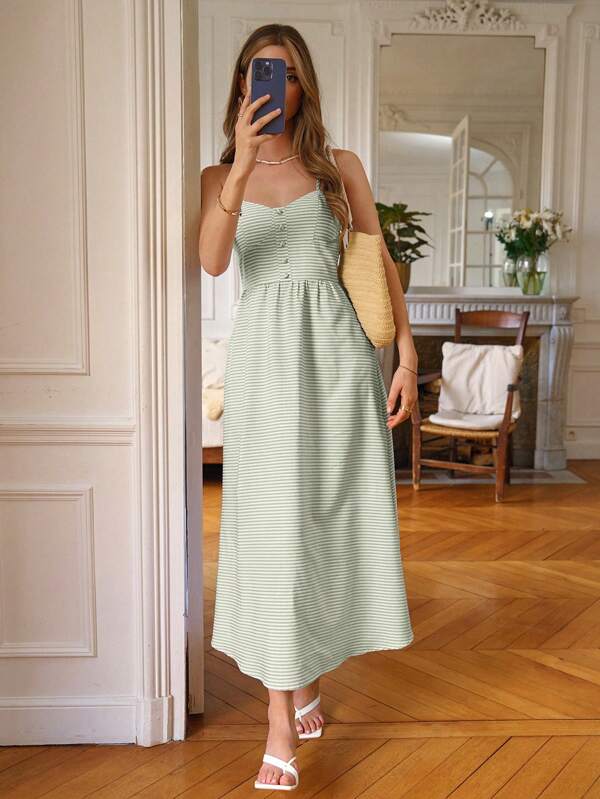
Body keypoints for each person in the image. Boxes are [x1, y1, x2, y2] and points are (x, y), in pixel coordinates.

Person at [198, 23, 417, 792]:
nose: (275, 87)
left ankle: (309, 674)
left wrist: (406, 357)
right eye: (262, 73)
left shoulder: (339, 166)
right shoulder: (216, 174)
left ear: (304, 87)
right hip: (266, 364)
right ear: (242, 84)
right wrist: (241, 163)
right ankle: (278, 719)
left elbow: (378, 262)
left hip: (338, 359)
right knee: (274, 533)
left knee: (324, 522)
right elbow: (212, 259)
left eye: (288, 74)